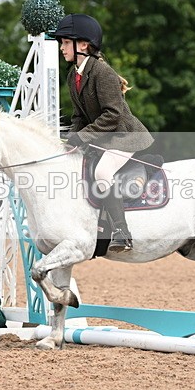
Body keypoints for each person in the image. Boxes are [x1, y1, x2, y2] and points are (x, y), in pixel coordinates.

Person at [50, 14, 153, 252]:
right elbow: (78, 116)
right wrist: (71, 140)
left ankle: (121, 232)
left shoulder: (102, 72)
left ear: (83, 45)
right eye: (61, 43)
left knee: (103, 172)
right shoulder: (73, 74)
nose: (61, 47)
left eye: (66, 42)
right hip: (105, 137)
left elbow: (112, 115)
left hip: (124, 136)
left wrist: (83, 136)